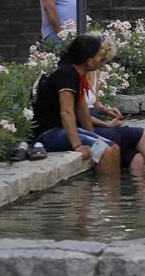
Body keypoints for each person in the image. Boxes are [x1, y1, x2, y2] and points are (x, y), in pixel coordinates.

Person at [29, 34, 122, 173]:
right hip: (48, 134)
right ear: (89, 60)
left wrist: (93, 136)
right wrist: (78, 146)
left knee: (113, 148)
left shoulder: (77, 73)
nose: (103, 61)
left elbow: (82, 109)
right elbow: (66, 111)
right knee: (106, 151)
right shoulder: (67, 74)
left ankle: (109, 192)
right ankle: (104, 193)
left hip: (60, 130)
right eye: (100, 57)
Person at [78, 37, 145, 171]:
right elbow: (80, 113)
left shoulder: (95, 73)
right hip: (86, 127)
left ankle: (143, 189)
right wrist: (107, 124)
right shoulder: (76, 76)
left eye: (106, 60)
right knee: (140, 134)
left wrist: (107, 110)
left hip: (97, 121)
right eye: (102, 60)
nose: (103, 64)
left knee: (137, 159)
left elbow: (95, 103)